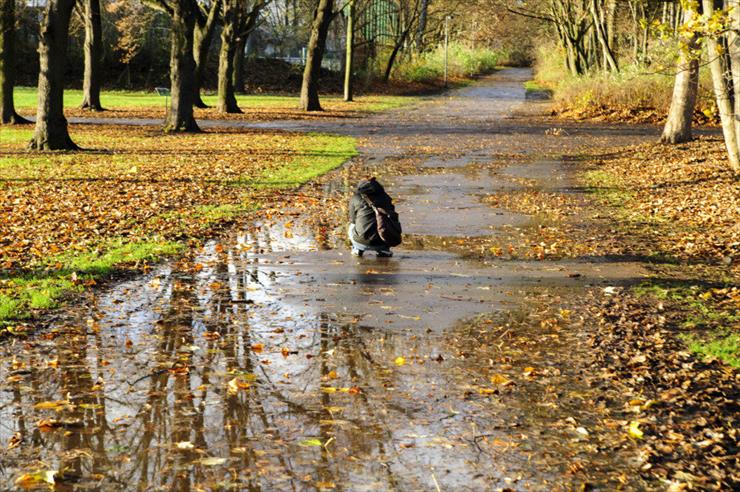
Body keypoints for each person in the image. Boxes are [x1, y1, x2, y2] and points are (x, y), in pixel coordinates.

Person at [348, 177, 399, 258]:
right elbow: (392, 216)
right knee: (389, 223)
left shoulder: (356, 198)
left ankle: (357, 249)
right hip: (383, 240)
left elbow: (352, 219)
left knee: (351, 225)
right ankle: (384, 250)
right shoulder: (386, 198)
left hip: (361, 240)